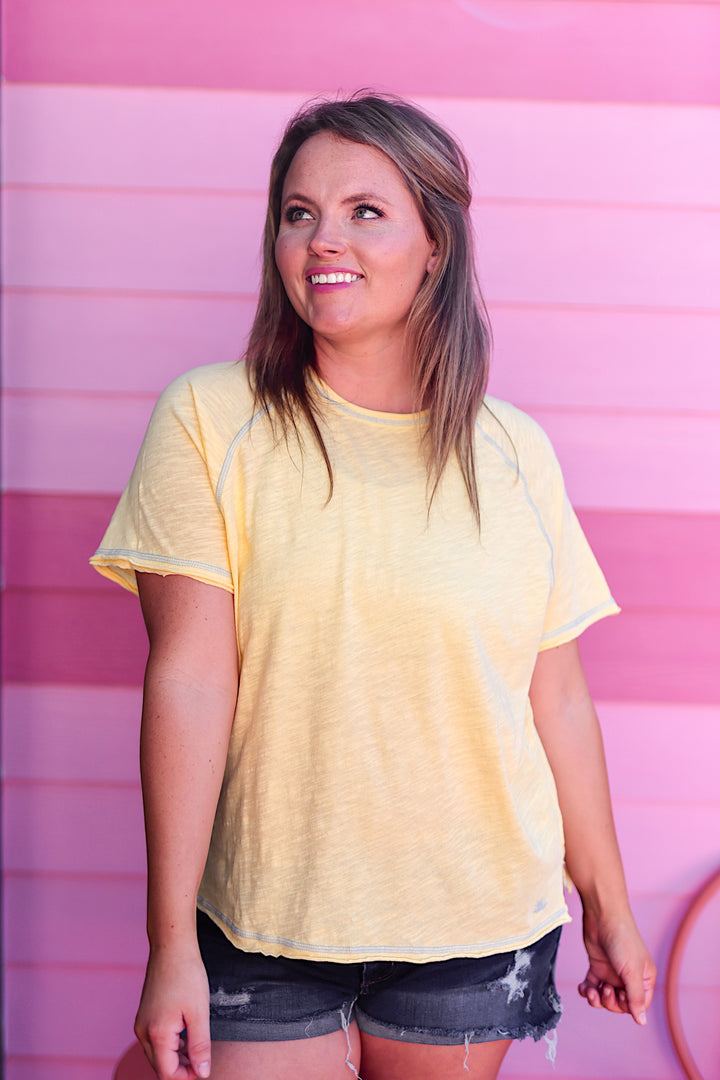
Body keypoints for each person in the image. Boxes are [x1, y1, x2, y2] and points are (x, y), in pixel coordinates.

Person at [91, 93, 656, 1080]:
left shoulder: (513, 451)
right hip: (266, 921)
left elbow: (555, 695)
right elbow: (187, 681)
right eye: (299, 212)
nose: (321, 240)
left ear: (434, 244)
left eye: (364, 210)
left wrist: (607, 904)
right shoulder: (210, 422)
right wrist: (170, 941)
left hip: (475, 925)